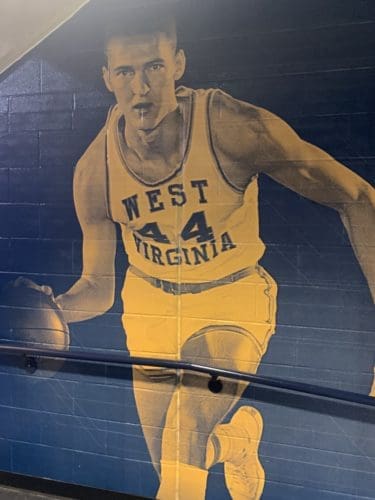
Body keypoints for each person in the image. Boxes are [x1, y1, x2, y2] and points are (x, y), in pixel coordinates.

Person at [50, 8, 374, 500]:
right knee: (174, 468)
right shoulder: (94, 172)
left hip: (230, 296)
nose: (141, 87)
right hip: (150, 307)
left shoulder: (232, 128)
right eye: (125, 72)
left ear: (178, 64)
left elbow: (356, 198)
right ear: (107, 78)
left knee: (185, 424)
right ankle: (238, 440)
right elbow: (97, 288)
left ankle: (227, 437)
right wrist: (54, 310)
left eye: (153, 66)